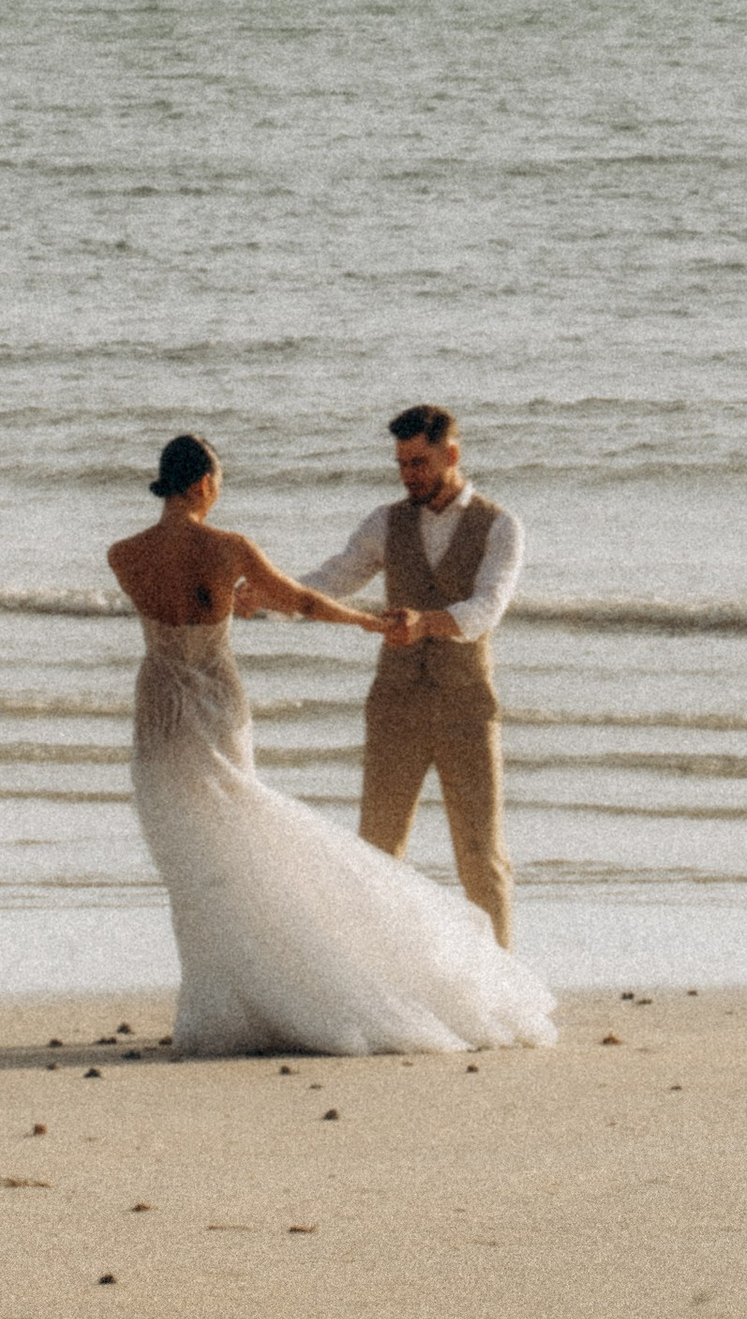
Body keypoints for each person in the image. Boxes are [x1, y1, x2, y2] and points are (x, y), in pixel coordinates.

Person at [107, 434, 554, 1059]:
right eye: (219, 483)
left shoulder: (123, 555)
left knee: (189, 858)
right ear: (204, 483)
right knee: (240, 844)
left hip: (157, 707)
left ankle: (217, 1006)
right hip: (213, 701)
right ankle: (259, 996)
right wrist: (367, 622)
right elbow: (306, 599)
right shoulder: (228, 548)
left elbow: (307, 587)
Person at [302, 403, 524, 946]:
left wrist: (425, 623)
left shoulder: (500, 526)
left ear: (452, 454)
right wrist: (266, 594)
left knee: (481, 857)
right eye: (401, 464)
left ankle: (500, 979)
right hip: (394, 704)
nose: (408, 475)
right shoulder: (386, 522)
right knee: (376, 852)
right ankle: (375, 975)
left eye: (419, 463)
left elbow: (487, 609)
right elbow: (334, 578)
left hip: (467, 708)